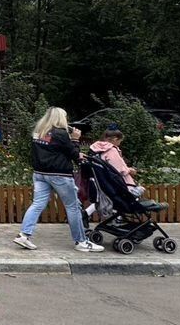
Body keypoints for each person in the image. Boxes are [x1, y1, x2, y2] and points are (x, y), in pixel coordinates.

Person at [14, 107, 104, 252]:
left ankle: (23, 235)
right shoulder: (61, 134)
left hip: (40, 173)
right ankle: (81, 241)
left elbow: (52, 150)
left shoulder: (38, 132)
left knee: (37, 204)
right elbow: (73, 154)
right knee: (73, 207)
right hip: (59, 175)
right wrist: (75, 139)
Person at [90, 125, 144, 197]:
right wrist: (129, 170)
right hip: (120, 187)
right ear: (115, 139)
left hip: (105, 185)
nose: (119, 144)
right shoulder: (111, 150)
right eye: (120, 141)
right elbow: (119, 170)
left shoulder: (96, 150)